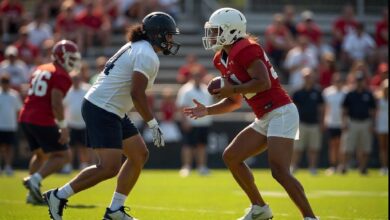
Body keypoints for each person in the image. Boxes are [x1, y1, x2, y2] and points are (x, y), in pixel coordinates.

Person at [43, 12, 180, 220]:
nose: (171, 40)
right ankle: (58, 195)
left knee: (139, 154)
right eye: (168, 35)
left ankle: (115, 210)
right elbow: (137, 93)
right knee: (108, 167)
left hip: (110, 108)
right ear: (156, 34)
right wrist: (152, 123)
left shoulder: (138, 47)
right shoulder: (146, 54)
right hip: (103, 108)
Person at [185, 7, 317, 220]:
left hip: (280, 110)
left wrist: (232, 89)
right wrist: (207, 110)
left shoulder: (245, 48)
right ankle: (259, 208)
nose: (212, 36)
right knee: (231, 156)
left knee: (279, 171)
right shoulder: (221, 58)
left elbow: (263, 83)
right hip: (264, 116)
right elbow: (234, 102)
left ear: (231, 30)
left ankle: (310, 217)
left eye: (217, 30)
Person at [19, 40, 81, 205]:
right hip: (41, 118)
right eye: (71, 58)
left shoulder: (40, 68)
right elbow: (56, 102)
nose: (73, 62)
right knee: (63, 155)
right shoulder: (61, 74)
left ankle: (32, 194)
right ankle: (35, 179)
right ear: (61, 57)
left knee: (40, 154)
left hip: (25, 116)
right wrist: (63, 127)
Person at [176, 69, 213, 177]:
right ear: (192, 77)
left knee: (202, 145)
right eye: (195, 75)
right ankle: (186, 167)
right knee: (188, 145)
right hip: (191, 122)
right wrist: (184, 121)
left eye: (199, 75)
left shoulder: (206, 89)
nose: (197, 78)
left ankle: (201, 167)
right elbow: (181, 106)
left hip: (204, 123)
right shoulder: (185, 90)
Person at [340, 72, 376, 175]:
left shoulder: (368, 94)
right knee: (347, 147)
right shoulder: (350, 94)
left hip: (365, 122)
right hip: (352, 122)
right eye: (358, 80)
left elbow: (373, 110)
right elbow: (344, 110)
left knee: (365, 147)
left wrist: (372, 124)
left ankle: (363, 168)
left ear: (364, 81)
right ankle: (344, 166)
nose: (360, 83)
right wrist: (344, 122)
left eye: (361, 80)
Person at [291, 68, 324, 175]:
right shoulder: (297, 92)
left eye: (309, 76)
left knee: (313, 148)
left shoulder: (318, 92)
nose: (308, 79)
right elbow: (293, 109)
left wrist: (322, 122)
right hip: (301, 124)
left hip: (314, 123)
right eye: (306, 77)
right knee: (297, 148)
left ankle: (312, 168)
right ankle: (294, 166)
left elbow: (321, 108)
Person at [62, 71, 92, 172]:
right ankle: (68, 165)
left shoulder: (87, 89)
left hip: (84, 124)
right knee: (70, 147)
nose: (75, 81)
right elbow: (63, 107)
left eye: (77, 78)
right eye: (73, 79)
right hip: (70, 124)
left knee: (84, 147)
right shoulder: (67, 91)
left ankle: (84, 165)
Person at [322, 73, 347, 175]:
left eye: (340, 81)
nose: (338, 83)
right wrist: (325, 120)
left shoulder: (346, 92)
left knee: (342, 146)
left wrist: (345, 122)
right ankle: (333, 166)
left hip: (343, 123)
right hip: (331, 122)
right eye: (336, 81)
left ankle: (341, 166)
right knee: (332, 146)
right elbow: (326, 107)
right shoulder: (327, 92)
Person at [0, 74, 22, 175]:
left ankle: (8, 166)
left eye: (6, 82)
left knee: (10, 147)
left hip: (11, 126)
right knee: (1, 147)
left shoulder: (14, 95)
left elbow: (19, 110)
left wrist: (17, 122)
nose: (5, 85)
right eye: (3, 82)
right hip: (1, 126)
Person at [375, 79, 388, 175]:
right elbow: (376, 113)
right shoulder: (379, 99)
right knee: (382, 147)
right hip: (382, 126)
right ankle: (384, 166)